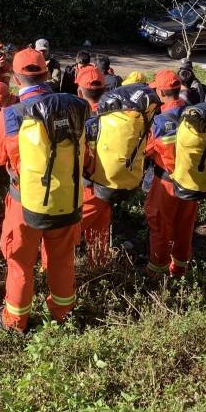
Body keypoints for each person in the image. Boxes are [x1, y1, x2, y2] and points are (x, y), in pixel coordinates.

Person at [0, 48, 86, 332]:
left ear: (16, 80)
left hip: (24, 202)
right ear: (46, 74)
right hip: (66, 196)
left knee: (19, 262)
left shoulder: (10, 116)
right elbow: (87, 156)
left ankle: (15, 321)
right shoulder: (72, 107)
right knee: (62, 258)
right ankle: (62, 316)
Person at [143, 70, 197, 278]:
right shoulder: (194, 114)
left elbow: (146, 151)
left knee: (160, 225)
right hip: (191, 182)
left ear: (160, 91)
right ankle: (180, 269)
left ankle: (156, 270)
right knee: (185, 226)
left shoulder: (159, 122)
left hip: (166, 183)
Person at [75, 65, 114, 267]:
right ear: (105, 90)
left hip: (87, 185)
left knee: (65, 232)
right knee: (99, 229)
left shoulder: (79, 119)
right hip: (109, 184)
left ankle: (50, 271)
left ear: (80, 92)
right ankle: (98, 268)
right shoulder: (116, 117)